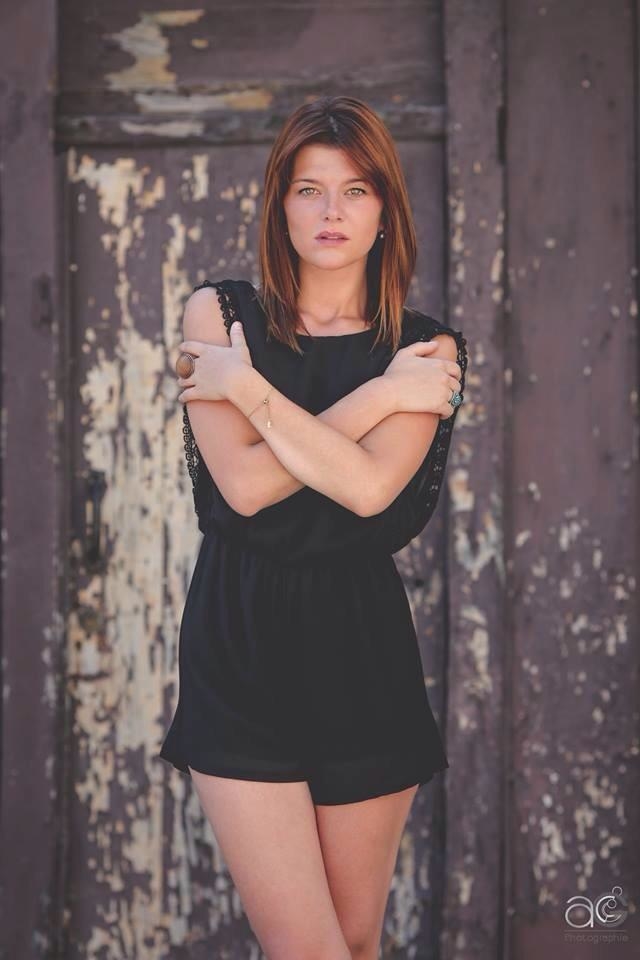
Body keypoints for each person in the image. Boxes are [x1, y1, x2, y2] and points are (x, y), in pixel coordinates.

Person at [159, 95, 468, 960]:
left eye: (356, 190)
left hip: (361, 650)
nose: (332, 211)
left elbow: (367, 491)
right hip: (238, 646)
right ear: (280, 206)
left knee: (357, 943)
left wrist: (248, 391)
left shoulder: (427, 350)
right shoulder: (220, 318)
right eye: (309, 189)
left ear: (385, 212)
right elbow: (247, 487)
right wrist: (378, 397)